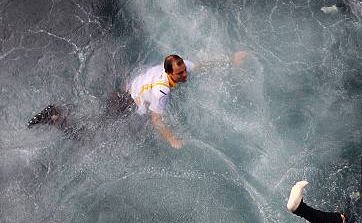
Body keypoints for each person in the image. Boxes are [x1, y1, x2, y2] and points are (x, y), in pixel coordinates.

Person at [27, 51, 247, 149]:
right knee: (92, 137)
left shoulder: (181, 66)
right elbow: (156, 121)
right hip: (126, 103)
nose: (185, 75)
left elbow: (201, 64)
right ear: (169, 73)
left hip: (127, 91)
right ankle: (55, 117)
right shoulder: (162, 92)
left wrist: (230, 59)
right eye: (180, 74)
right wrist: (172, 140)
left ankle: (60, 113)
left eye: (184, 71)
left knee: (97, 119)